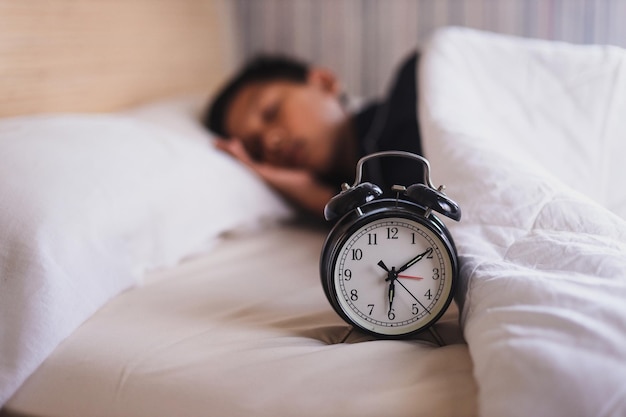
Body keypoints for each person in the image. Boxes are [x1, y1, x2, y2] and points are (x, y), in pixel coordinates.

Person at [203, 51, 423, 218]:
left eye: (271, 113)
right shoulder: (347, 199)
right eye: (255, 150)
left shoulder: (415, 90)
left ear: (322, 82)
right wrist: (316, 196)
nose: (271, 142)